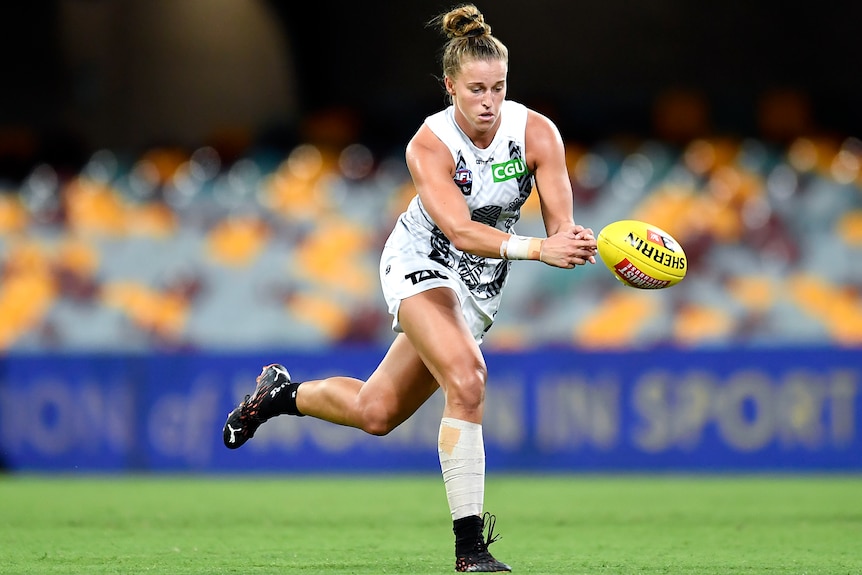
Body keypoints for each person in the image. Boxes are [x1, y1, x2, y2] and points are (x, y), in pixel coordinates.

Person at [222, 3, 597, 572]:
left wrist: (583, 245)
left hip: (477, 284)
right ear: (450, 87)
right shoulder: (430, 144)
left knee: (376, 411)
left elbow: (558, 229)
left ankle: (278, 395)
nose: (489, 102)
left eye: (498, 87)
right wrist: (537, 249)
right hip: (420, 262)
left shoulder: (538, 133)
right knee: (468, 380)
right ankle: (470, 550)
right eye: (476, 89)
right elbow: (459, 229)